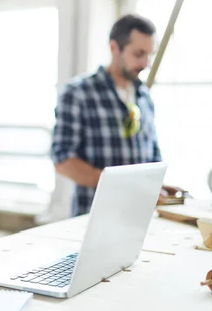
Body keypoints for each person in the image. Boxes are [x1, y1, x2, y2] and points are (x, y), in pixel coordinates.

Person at [50, 14, 168, 217]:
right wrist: (124, 186)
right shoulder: (78, 92)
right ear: (114, 48)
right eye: (139, 54)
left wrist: (159, 186)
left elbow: (153, 156)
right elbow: (63, 160)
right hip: (95, 215)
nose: (146, 63)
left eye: (150, 55)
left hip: (140, 215)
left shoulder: (144, 96)